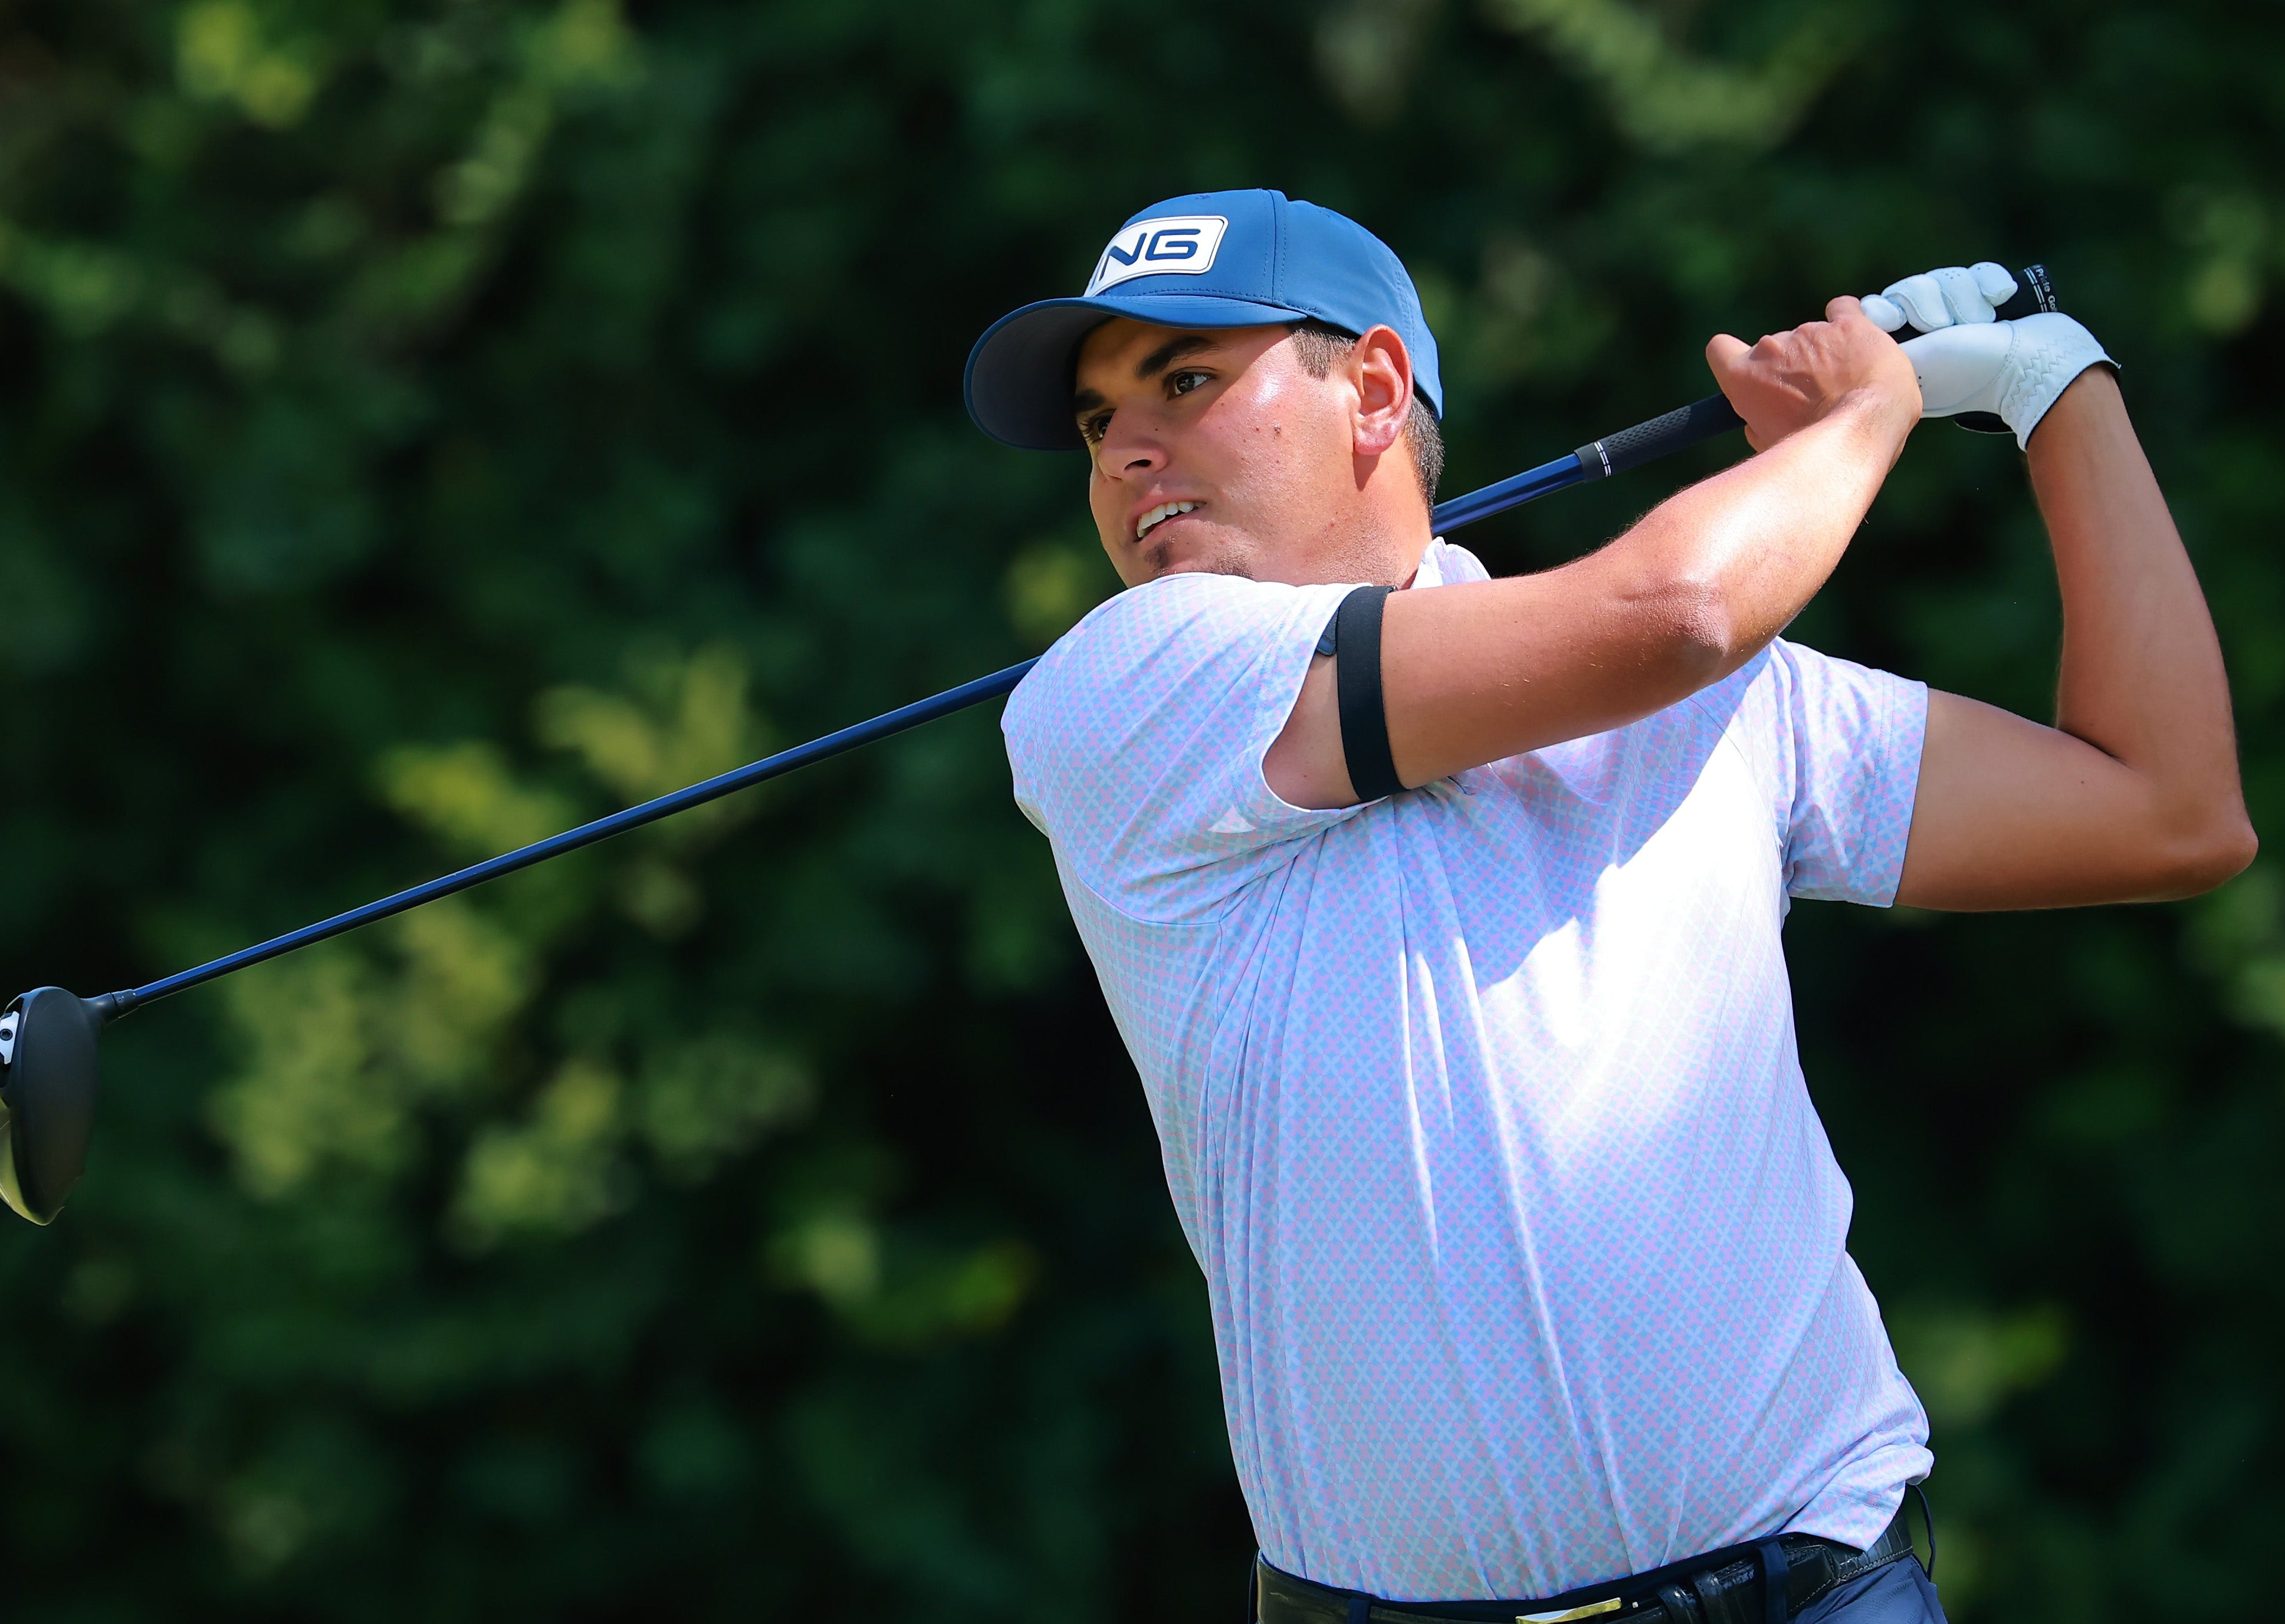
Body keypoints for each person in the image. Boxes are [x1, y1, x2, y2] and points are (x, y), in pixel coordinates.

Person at [964, 189, 2254, 1623]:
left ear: (1373, 389)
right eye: (1096, 421)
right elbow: (1677, 613)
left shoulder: (1724, 704)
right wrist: (1861, 418)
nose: (1123, 450)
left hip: (1815, 1589)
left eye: (1184, 380)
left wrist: (2055, 392)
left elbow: (2168, 810)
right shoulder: (1121, 684)